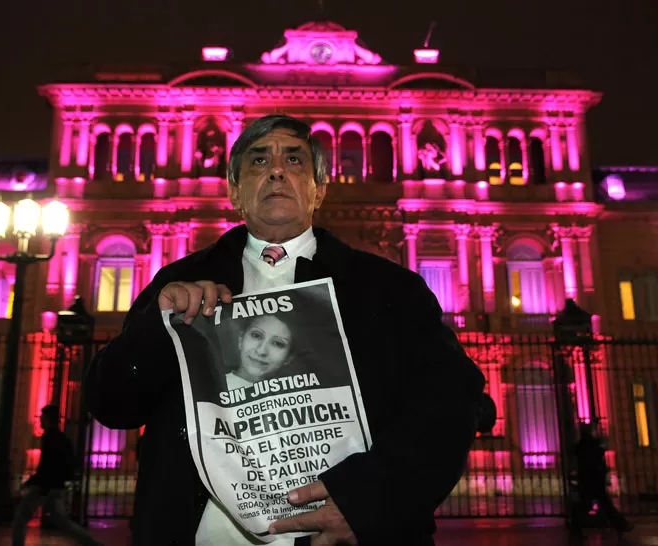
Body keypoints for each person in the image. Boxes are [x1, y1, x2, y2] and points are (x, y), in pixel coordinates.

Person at [85, 114, 486, 546]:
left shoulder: (389, 290)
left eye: (294, 160)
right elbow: (112, 404)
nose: (276, 170)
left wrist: (369, 501)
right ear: (235, 191)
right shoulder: (178, 281)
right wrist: (157, 328)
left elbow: (448, 406)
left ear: (320, 188)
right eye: (259, 161)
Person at [11, 405, 103, 546]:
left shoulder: (49, 438)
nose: (40, 421)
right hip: (56, 486)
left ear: (47, 419)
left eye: (42, 418)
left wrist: (30, 482)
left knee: (21, 517)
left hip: (43, 486)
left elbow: (45, 466)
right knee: (63, 522)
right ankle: (92, 543)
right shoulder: (62, 438)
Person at [569, 422, 633, 539]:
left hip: (588, 479)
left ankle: (575, 528)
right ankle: (621, 525)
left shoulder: (582, 445)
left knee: (590, 504)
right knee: (602, 504)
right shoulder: (591, 444)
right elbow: (598, 455)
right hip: (594, 479)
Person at [226, 314, 295, 390]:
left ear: (289, 358)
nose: (261, 351)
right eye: (256, 335)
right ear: (241, 339)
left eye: (278, 344)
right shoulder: (217, 386)